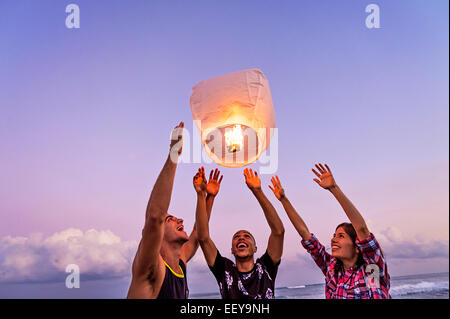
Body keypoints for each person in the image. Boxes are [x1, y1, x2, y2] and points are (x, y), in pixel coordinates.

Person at [268, 163, 390, 299]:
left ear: (357, 247)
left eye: (341, 236)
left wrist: (334, 188)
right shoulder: (331, 270)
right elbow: (305, 235)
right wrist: (284, 200)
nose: (333, 239)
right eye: (334, 235)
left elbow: (361, 229)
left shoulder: (371, 270)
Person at [127, 122, 215, 299]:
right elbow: (154, 216)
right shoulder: (151, 268)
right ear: (158, 234)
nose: (180, 220)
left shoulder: (179, 263)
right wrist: (174, 153)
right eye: (170, 220)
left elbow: (198, 234)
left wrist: (206, 196)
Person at [195, 167, 285, 299]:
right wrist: (203, 196)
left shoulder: (266, 267)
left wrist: (257, 191)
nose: (241, 238)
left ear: (255, 248)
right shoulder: (223, 269)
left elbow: (278, 231)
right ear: (232, 249)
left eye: (247, 236)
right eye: (236, 237)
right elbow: (203, 237)